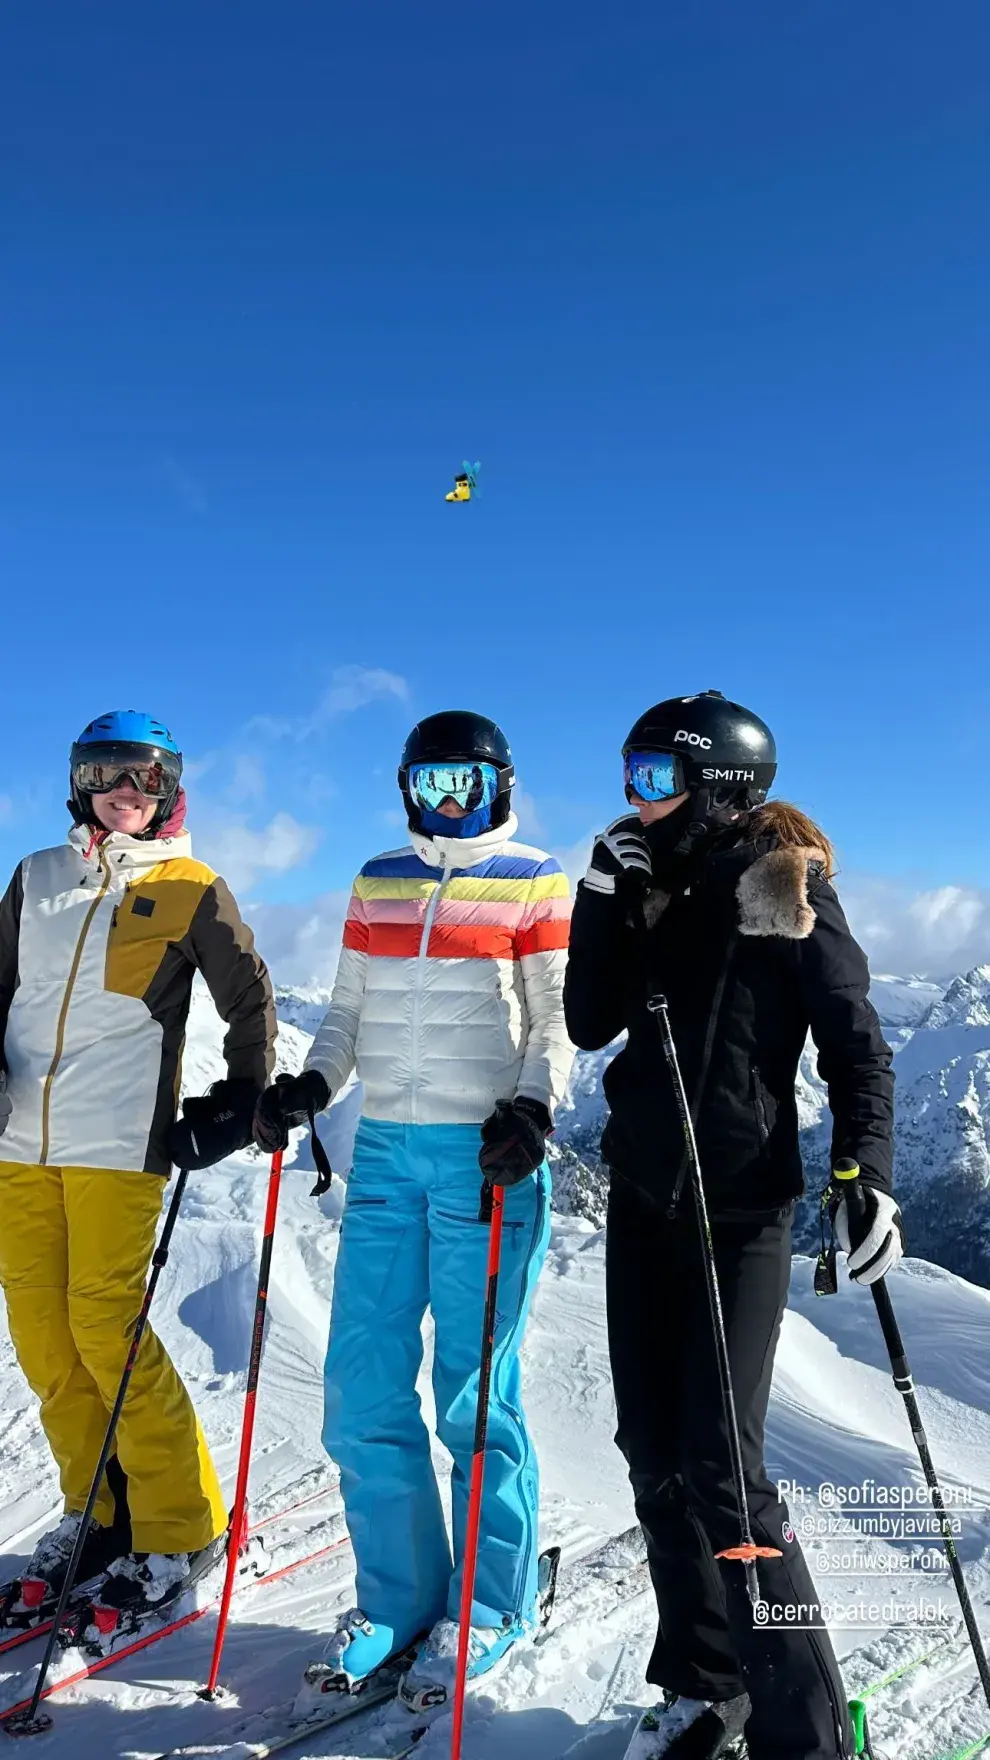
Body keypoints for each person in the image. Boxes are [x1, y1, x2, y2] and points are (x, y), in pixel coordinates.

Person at [563, 691, 901, 1760]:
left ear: (720, 785)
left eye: (655, 776)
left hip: (740, 1210)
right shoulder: (645, 885)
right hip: (645, 1197)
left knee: (727, 1470)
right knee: (652, 1452)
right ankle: (705, 1683)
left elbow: (858, 1042)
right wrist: (599, 897)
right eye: (631, 773)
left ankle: (807, 1733)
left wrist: (868, 1172)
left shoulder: (782, 886)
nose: (636, 797)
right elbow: (586, 1019)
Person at [254, 709, 574, 1707]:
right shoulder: (376, 877)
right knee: (363, 1386)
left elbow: (558, 1017)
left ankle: (491, 1605)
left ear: (502, 784)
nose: (449, 803)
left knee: (475, 1392)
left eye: (466, 784)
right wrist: (313, 1081)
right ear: (406, 788)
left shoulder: (534, 878)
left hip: (487, 1154)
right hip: (385, 1150)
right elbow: (346, 1012)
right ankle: (399, 1599)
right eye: (433, 783)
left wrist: (534, 1104)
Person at [0, 710, 275, 1626]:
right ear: (80, 780)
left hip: (119, 1144)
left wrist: (242, 1099)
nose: (127, 790)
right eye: (108, 772)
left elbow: (250, 995)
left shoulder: (191, 885)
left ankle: (179, 1524)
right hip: (19, 1144)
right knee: (43, 1336)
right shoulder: (36, 877)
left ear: (170, 790)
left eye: (147, 777)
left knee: (103, 1327)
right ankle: (99, 1511)